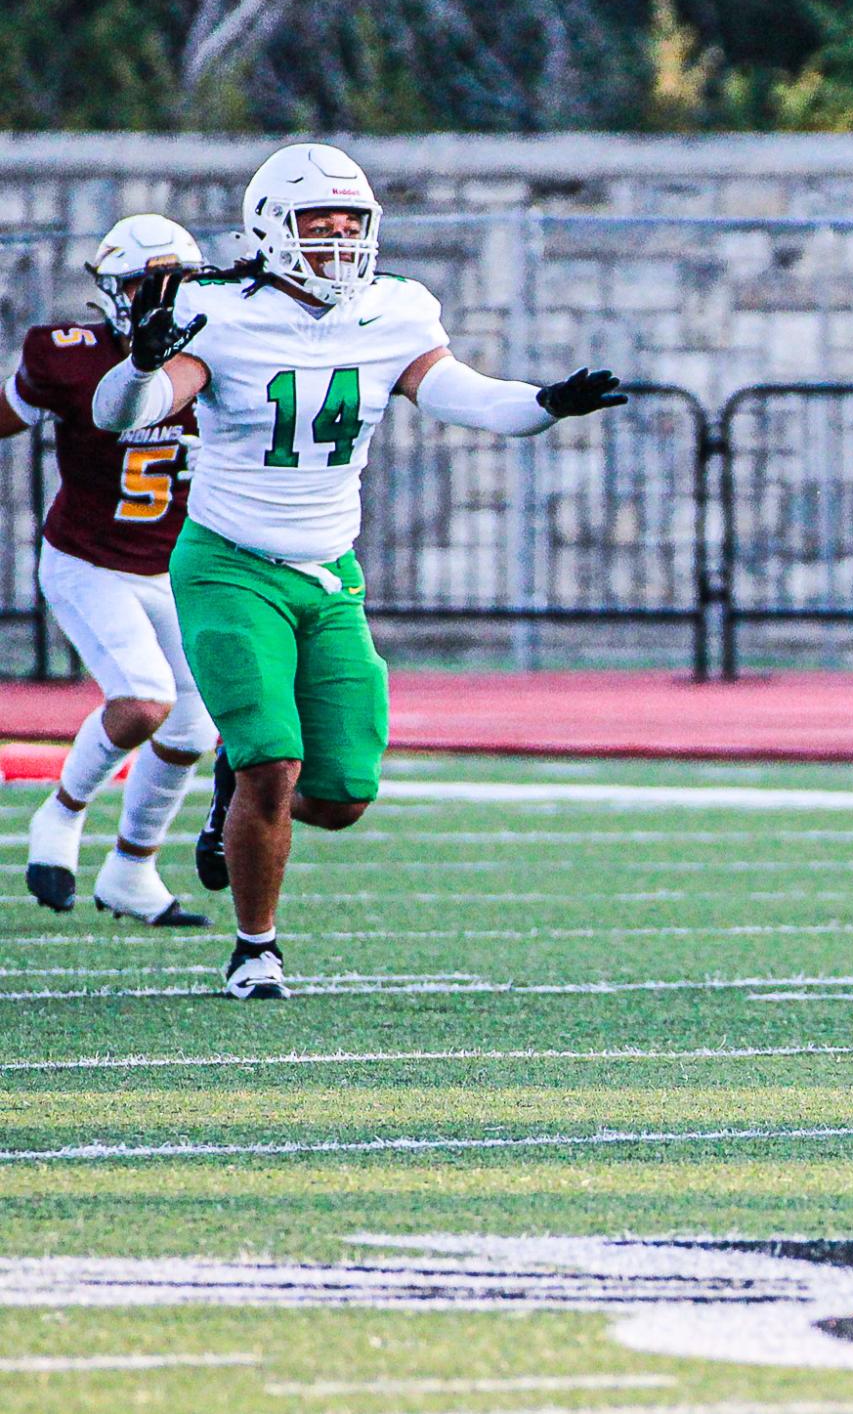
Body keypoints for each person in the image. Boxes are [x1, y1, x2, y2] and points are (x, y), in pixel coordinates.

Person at [92, 142, 629, 1000]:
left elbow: (464, 393)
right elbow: (125, 414)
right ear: (271, 227)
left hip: (331, 573)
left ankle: (232, 802)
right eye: (319, 224)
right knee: (273, 758)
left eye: (352, 225)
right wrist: (142, 363)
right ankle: (256, 948)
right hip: (230, 564)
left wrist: (544, 404)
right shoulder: (218, 311)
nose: (339, 242)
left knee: (340, 796)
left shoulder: (397, 309)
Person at [1, 215, 214, 926]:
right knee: (144, 701)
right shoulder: (68, 356)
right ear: (109, 291)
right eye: (143, 284)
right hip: (89, 561)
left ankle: (131, 870)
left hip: (175, 567)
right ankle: (59, 818)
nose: (160, 297)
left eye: (175, 283)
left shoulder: (224, 353)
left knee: (190, 731)